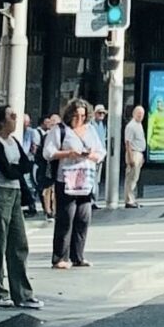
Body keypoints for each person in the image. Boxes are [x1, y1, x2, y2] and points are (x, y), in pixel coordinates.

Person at [0, 106, 40, 309]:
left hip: (15, 192)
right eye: (12, 117)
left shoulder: (14, 141)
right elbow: (6, 170)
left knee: (19, 242)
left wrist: (17, 170)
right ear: (1, 122)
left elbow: (25, 164)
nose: (15, 120)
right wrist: (17, 170)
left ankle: (22, 293)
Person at [49, 99, 103, 267]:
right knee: (66, 218)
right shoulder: (60, 131)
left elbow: (101, 152)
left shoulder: (91, 130)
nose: (80, 119)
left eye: (83, 115)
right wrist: (68, 153)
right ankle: (60, 257)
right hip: (66, 179)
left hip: (85, 179)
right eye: (76, 115)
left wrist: (93, 155)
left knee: (83, 218)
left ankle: (78, 256)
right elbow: (48, 152)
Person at [121, 103, 148, 209]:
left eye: (142, 113)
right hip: (133, 153)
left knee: (135, 178)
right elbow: (128, 143)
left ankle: (132, 199)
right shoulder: (131, 126)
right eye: (138, 113)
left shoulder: (139, 125)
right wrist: (131, 157)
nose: (140, 115)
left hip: (139, 153)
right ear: (133, 114)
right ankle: (129, 200)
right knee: (131, 178)